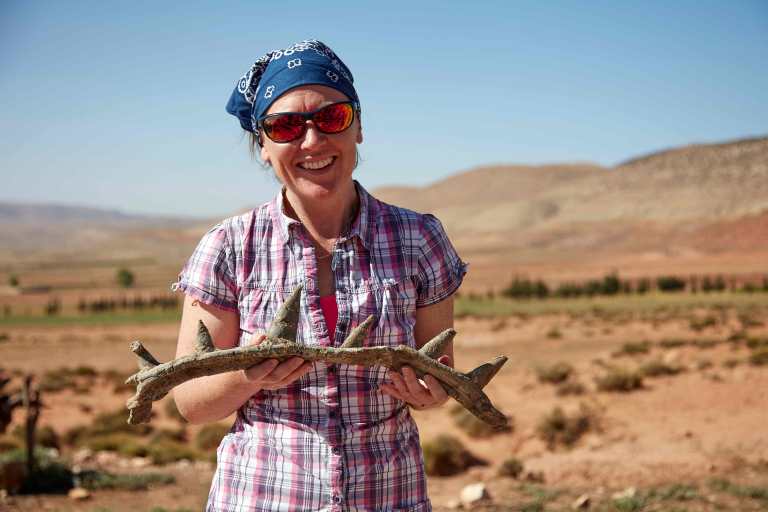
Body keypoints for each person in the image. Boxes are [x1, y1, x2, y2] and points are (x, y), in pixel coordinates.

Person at [171, 39, 467, 511]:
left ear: (359, 127)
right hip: (262, 498)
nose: (311, 141)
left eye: (332, 118)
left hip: (388, 497)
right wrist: (248, 376)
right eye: (285, 126)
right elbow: (191, 403)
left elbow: (439, 377)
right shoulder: (228, 246)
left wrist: (430, 394)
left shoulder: (420, 239)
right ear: (263, 146)